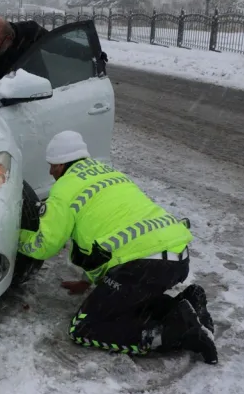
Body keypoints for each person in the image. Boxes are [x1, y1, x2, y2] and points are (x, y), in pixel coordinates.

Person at [18, 131, 218, 364]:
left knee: (85, 328)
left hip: (143, 264)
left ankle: (177, 333)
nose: (51, 172)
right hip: (176, 257)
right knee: (128, 303)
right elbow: (108, 237)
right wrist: (88, 280)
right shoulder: (110, 174)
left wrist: (16, 238)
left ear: (61, 164)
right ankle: (187, 304)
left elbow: (45, 245)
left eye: (52, 166)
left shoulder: (65, 190)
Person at [0, 16, 49, 82]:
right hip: (0, 93)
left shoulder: (31, 32)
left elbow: (55, 43)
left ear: (9, 38)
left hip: (39, 86)